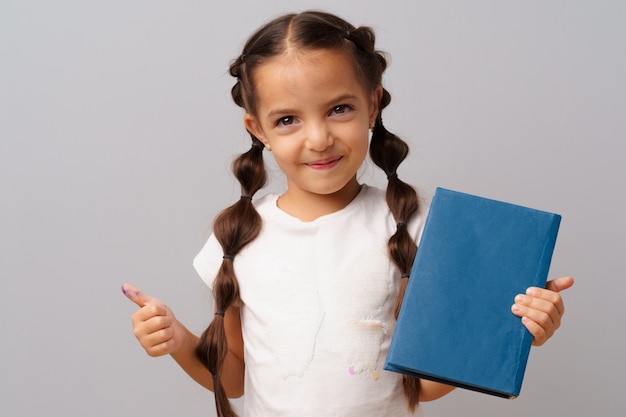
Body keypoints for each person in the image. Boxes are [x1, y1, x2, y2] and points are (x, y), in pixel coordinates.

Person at [122, 10, 574, 417]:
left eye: (339, 109)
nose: (318, 138)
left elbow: (424, 385)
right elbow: (236, 378)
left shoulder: (411, 225)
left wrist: (510, 329)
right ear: (256, 128)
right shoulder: (240, 236)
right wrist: (178, 340)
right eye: (287, 120)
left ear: (372, 104)